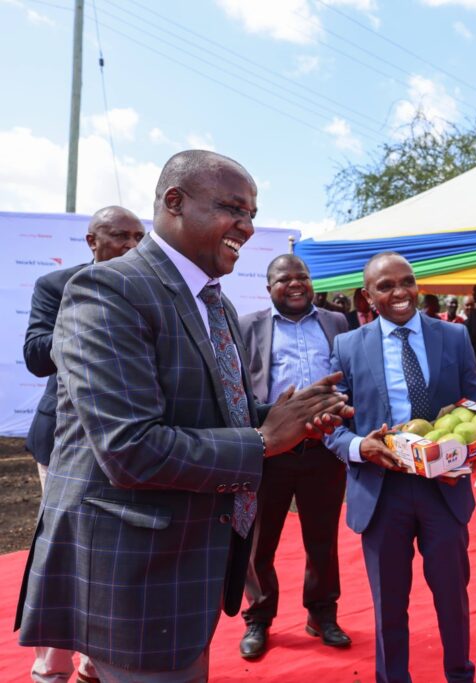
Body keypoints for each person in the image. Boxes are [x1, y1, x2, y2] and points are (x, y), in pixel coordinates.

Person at [15, 150, 349, 681]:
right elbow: (130, 448)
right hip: (135, 574)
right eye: (233, 208)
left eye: (252, 214)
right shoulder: (108, 290)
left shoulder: (216, 303)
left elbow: (216, 411)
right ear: (174, 202)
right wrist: (264, 441)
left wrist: (289, 416)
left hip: (190, 566)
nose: (247, 226)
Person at [325, 251, 476, 683]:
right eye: (386, 286)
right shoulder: (347, 346)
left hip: (443, 490)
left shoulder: (454, 337)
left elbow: (475, 408)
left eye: (406, 281)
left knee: (452, 596)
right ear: (367, 296)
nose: (400, 292)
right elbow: (331, 424)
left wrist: (470, 448)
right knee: (389, 603)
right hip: (381, 492)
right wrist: (360, 446)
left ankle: (460, 675)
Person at [21, 205, 145, 683]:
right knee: (63, 552)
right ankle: (51, 668)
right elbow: (35, 356)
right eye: (121, 236)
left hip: (131, 443)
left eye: (139, 237)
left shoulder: (151, 290)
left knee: (114, 554)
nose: (132, 246)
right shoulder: (58, 286)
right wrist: (85, 321)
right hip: (65, 443)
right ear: (93, 241)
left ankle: (96, 663)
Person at [236, 254, 351, 659]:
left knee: (323, 540)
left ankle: (322, 614)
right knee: (259, 542)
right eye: (285, 279)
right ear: (269, 287)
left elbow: (348, 375)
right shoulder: (248, 326)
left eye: (302, 276)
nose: (296, 283)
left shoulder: (337, 322)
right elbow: (238, 388)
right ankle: (259, 618)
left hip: (325, 448)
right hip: (271, 450)